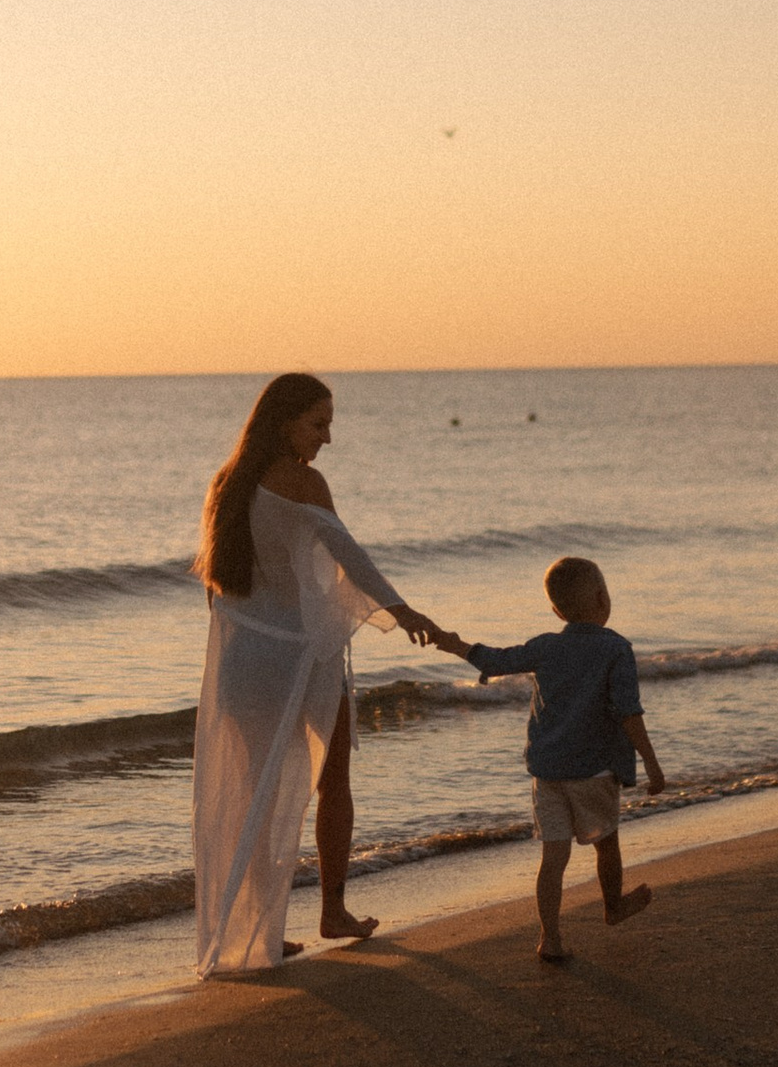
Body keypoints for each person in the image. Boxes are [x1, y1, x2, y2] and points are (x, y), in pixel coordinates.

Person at [191, 374, 450, 974]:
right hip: (298, 658)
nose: (327, 438)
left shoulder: (225, 484)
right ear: (285, 422)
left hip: (244, 661)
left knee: (257, 794)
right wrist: (401, 611)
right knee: (332, 782)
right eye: (319, 423)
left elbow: (217, 587)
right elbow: (346, 553)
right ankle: (333, 910)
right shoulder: (305, 482)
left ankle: (259, 931)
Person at [443, 555, 667, 964]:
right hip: (594, 771)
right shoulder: (616, 649)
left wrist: (458, 645)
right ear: (602, 598)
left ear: (556, 610)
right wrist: (651, 764)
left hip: (547, 772)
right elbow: (628, 712)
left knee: (554, 858)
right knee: (607, 843)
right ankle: (612, 906)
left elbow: (496, 661)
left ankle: (550, 937)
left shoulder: (547, 646)